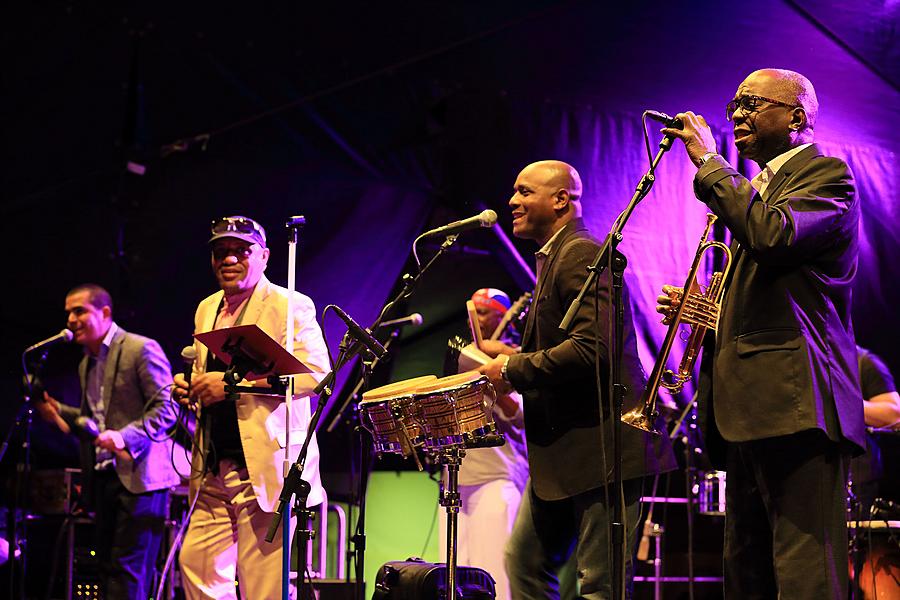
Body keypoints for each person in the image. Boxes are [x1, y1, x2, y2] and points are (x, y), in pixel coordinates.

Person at [659, 68, 864, 598]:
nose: (737, 115)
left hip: (798, 405)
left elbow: (773, 237)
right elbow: (776, 295)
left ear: (796, 117)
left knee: (805, 575)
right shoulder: (755, 191)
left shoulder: (827, 175)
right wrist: (707, 310)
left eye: (752, 103)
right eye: (734, 104)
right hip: (747, 408)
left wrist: (709, 162)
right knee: (743, 571)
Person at [479, 160, 675, 599]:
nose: (512, 200)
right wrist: (514, 357)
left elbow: (594, 349)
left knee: (599, 584)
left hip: (600, 447)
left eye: (525, 191)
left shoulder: (582, 252)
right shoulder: (558, 255)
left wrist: (512, 369)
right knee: (525, 562)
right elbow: (577, 345)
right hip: (567, 452)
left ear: (561, 200)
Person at [173, 215, 330, 600]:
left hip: (264, 468)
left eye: (240, 250)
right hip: (211, 466)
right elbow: (207, 371)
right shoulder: (206, 307)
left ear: (264, 255)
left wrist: (232, 388)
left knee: (263, 586)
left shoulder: (290, 305)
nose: (229, 259)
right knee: (197, 567)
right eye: (220, 252)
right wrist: (191, 387)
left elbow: (317, 378)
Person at [37, 283, 180, 599]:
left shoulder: (140, 348)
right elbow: (97, 422)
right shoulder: (85, 362)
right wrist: (57, 410)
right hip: (104, 477)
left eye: (79, 311)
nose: (71, 320)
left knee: (126, 572)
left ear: (104, 313)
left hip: (141, 478)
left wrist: (124, 436)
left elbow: (168, 408)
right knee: (105, 568)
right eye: (68, 313)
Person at [440, 287, 528, 600]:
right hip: (456, 480)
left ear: (503, 316)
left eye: (484, 312)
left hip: (497, 476)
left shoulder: (518, 358)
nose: (475, 319)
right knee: (451, 577)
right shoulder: (463, 357)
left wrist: (492, 378)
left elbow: (519, 414)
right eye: (473, 313)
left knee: (493, 573)